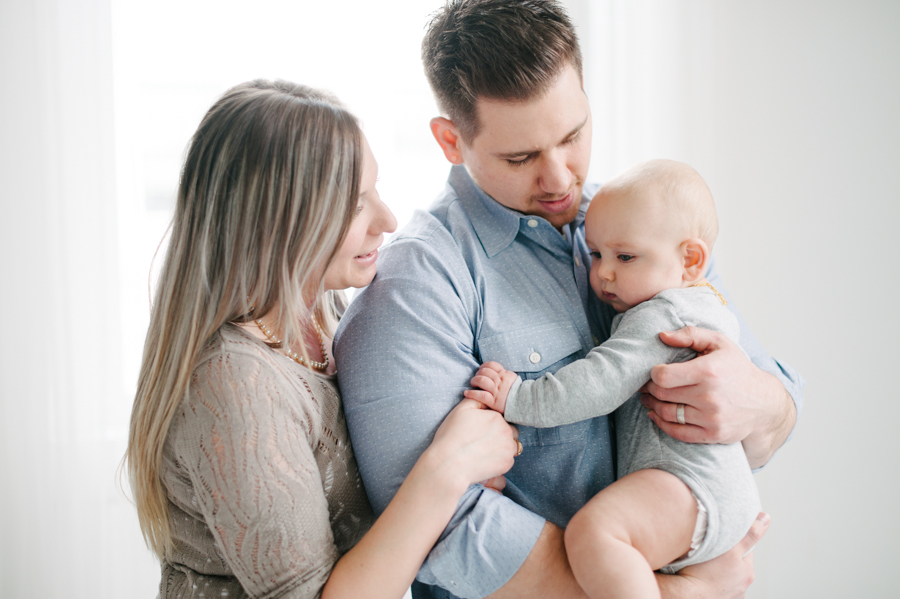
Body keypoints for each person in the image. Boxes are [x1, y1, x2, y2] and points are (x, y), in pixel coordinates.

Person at [334, 1, 804, 598]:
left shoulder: (638, 224)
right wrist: (676, 593)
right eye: (521, 157)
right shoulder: (414, 284)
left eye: (573, 135)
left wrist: (756, 403)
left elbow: (777, 407)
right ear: (451, 140)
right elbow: (441, 529)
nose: (559, 178)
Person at [124, 79, 521, 599]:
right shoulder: (233, 383)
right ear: (273, 223)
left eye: (375, 190)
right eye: (356, 204)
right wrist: (448, 469)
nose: (388, 220)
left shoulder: (327, 318)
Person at [465, 159, 761, 599]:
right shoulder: (697, 303)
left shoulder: (664, 316)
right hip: (709, 489)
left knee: (594, 533)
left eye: (624, 257)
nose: (603, 272)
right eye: (596, 253)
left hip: (691, 484)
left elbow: (599, 382)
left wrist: (518, 397)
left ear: (690, 260)